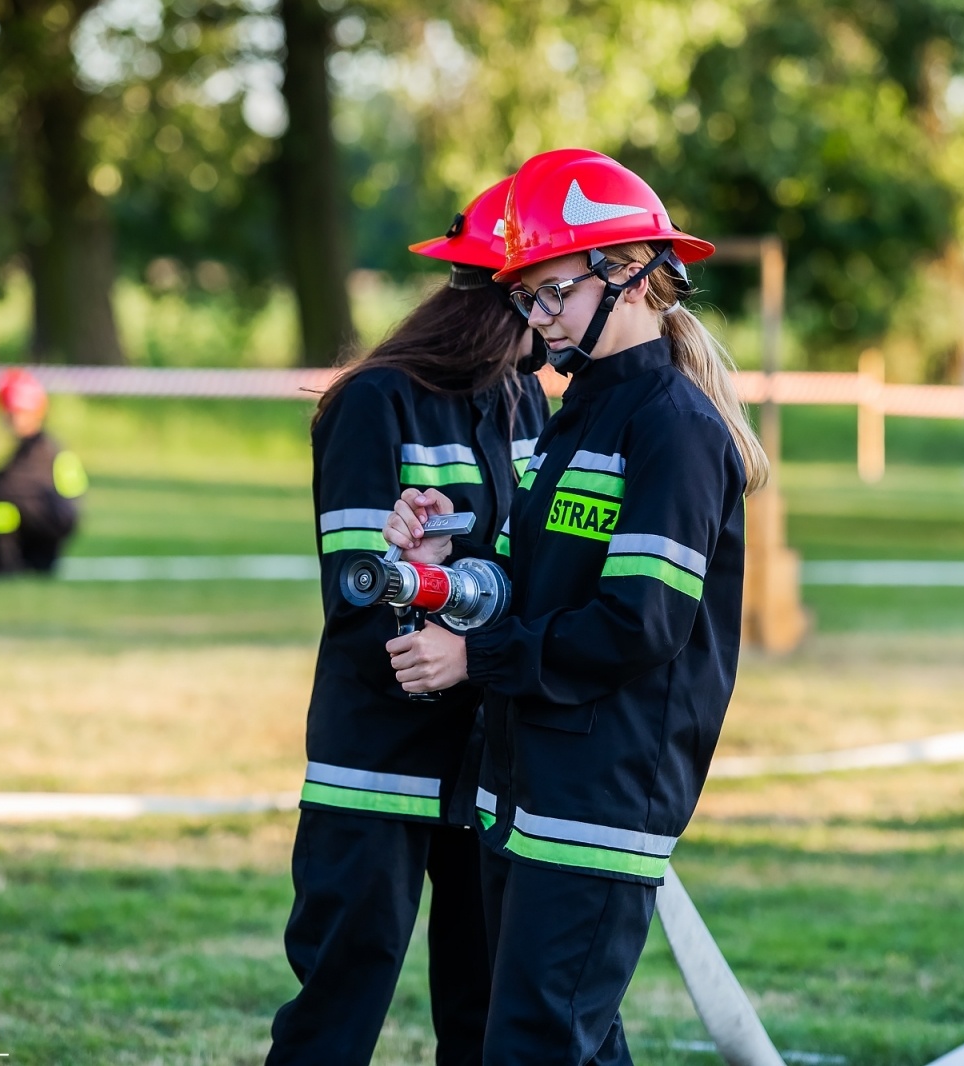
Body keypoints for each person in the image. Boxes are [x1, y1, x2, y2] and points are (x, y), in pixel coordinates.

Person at [382, 149, 769, 1065]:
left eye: (554, 292)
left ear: (631, 278)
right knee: (567, 1046)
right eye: (528, 299)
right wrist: (445, 565)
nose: (539, 320)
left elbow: (639, 624)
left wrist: (476, 661)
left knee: (533, 1046)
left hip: (601, 798)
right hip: (524, 790)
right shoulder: (575, 418)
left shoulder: (674, 429)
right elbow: (531, 588)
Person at [267, 177, 549, 1066]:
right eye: (542, 297)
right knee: (340, 1001)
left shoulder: (522, 398)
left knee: (484, 1007)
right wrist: (416, 584)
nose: (558, 322)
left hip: (488, 759)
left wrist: (484, 644)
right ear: (500, 299)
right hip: (378, 761)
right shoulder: (373, 403)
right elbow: (356, 594)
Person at [0, 368, 87, 576]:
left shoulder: (40, 452)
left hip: (48, 527)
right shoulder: (43, 447)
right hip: (48, 526)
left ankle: (6, 564)